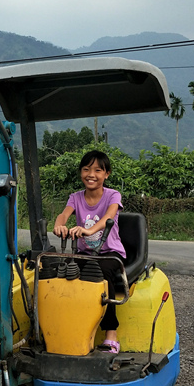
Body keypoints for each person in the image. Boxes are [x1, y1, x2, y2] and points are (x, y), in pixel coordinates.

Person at [53, 150, 126, 354]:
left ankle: (111, 333)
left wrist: (89, 230)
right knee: (66, 275)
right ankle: (72, 329)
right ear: (80, 173)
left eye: (97, 170)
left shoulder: (113, 195)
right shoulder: (75, 198)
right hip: (85, 253)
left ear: (106, 174)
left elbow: (108, 217)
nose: (91, 174)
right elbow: (63, 215)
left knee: (100, 274)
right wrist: (59, 226)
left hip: (110, 253)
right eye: (86, 169)